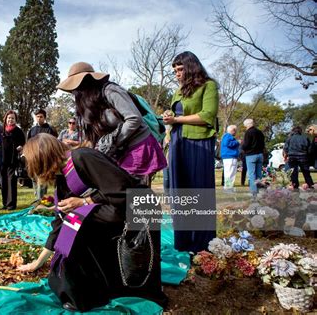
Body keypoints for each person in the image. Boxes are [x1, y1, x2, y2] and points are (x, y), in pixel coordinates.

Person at [18, 134, 166, 312]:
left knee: (78, 224)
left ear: (42, 157)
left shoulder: (82, 157)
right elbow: (60, 224)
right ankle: (92, 290)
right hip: (113, 212)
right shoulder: (62, 181)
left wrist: (84, 201)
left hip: (138, 207)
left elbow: (123, 188)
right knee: (72, 224)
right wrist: (39, 261)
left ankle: (95, 290)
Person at [56, 62, 166, 186]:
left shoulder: (110, 91)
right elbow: (92, 139)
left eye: (77, 86)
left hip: (137, 146)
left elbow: (134, 118)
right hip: (117, 152)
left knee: (131, 190)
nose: (75, 92)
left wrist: (112, 140)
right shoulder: (86, 107)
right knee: (120, 191)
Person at [163, 51, 218, 254]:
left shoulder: (208, 85)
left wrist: (176, 120)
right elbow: (176, 114)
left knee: (198, 190)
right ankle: (184, 241)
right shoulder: (178, 91)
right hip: (177, 141)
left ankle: (202, 243)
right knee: (180, 192)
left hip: (199, 141)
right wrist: (169, 118)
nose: (177, 73)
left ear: (191, 67)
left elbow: (207, 115)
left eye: (180, 69)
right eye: (175, 70)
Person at [27, 109, 57, 199]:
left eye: (41, 117)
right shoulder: (32, 130)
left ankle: (40, 200)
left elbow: (54, 143)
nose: (39, 118)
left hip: (45, 158)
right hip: (33, 158)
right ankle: (39, 198)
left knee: (42, 179)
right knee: (34, 179)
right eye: (37, 116)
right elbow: (28, 143)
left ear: (44, 118)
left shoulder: (50, 129)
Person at [0, 110, 25, 210]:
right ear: (6, 119)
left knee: (11, 181)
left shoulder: (18, 131)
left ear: (15, 120)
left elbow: (23, 143)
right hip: (1, 159)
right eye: (9, 118)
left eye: (13, 118)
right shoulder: (1, 130)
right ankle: (5, 203)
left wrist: (21, 147)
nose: (10, 120)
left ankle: (11, 204)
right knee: (3, 181)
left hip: (12, 160)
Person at [241, 118, 265, 197]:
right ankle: (260, 191)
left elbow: (246, 145)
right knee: (259, 174)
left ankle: (253, 192)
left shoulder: (248, 132)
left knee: (251, 174)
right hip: (260, 154)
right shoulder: (259, 132)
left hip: (251, 155)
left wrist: (242, 146)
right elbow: (263, 144)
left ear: (246, 125)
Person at [220, 125, 240, 192]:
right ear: (232, 130)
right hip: (230, 157)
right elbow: (228, 144)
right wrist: (237, 142)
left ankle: (227, 187)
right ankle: (228, 188)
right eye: (235, 130)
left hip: (227, 157)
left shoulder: (226, 136)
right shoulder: (228, 136)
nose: (236, 132)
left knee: (228, 173)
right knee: (230, 173)